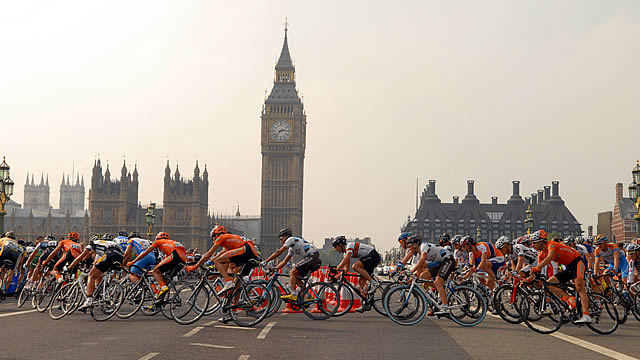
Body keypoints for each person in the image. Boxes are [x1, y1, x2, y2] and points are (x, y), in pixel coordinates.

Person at [530, 230, 591, 324]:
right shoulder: (541, 254)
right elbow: (538, 270)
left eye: (534, 242)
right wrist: (529, 279)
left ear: (541, 241)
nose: (532, 245)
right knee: (548, 284)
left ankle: (586, 315)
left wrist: (538, 267)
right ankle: (569, 299)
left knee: (579, 287)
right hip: (568, 267)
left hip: (577, 263)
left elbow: (549, 257)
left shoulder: (552, 245)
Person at [186, 225, 260, 294]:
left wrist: (195, 266)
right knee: (236, 283)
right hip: (252, 253)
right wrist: (210, 273)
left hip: (247, 249)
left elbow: (209, 254)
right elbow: (221, 263)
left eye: (213, 237)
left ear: (216, 235)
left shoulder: (221, 238)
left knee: (219, 262)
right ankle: (235, 306)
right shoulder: (228, 245)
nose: (213, 240)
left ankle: (228, 282)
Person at [398, 234, 455, 315]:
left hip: (448, 259)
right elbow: (419, 272)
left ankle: (445, 307)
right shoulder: (418, 254)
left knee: (438, 282)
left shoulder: (423, 246)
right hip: (440, 262)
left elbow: (422, 261)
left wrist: (411, 272)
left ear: (415, 244)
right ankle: (440, 295)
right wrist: (410, 280)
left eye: (410, 246)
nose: (409, 248)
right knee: (423, 277)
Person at [261, 228, 321, 302]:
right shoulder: (291, 248)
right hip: (312, 258)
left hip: (313, 257)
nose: (280, 241)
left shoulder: (291, 239)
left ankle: (293, 294)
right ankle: (309, 296)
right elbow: (284, 261)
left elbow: (279, 252)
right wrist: (275, 269)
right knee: (296, 277)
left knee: (292, 272)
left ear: (285, 236)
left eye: (281, 239)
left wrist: (266, 261)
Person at [70, 234, 124, 312]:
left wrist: (70, 267)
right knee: (101, 272)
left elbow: (81, 256)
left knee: (91, 276)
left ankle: (89, 301)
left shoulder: (93, 244)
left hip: (109, 254)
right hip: (120, 257)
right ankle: (103, 291)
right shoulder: (109, 243)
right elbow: (89, 254)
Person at [127, 232, 187, 299]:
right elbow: (165, 260)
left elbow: (145, 253)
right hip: (183, 259)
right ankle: (158, 301)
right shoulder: (171, 243)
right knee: (164, 278)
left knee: (156, 272)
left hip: (175, 255)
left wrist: (133, 262)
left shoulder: (158, 242)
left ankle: (163, 287)